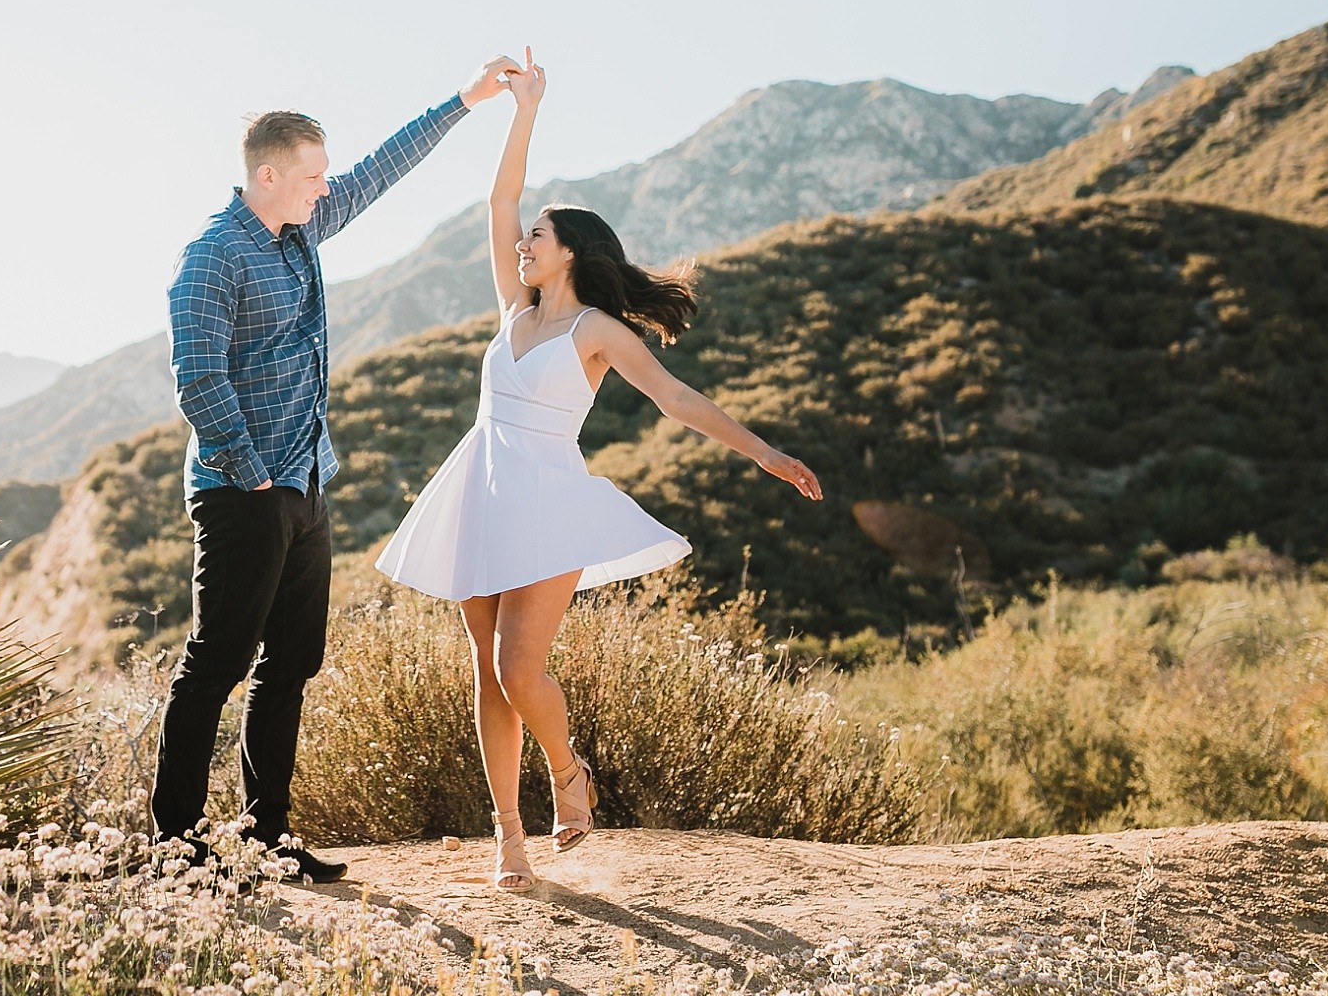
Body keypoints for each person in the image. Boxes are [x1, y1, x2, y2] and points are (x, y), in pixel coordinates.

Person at [374, 53, 826, 887]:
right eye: (525, 238)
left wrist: (764, 451)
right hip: (480, 488)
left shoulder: (596, 332)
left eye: (537, 239)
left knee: (519, 669)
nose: (521, 244)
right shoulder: (513, 312)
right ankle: (510, 837)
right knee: (485, 669)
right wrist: (524, 111)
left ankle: (568, 769)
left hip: (547, 501)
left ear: (571, 253)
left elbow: (678, 400)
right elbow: (500, 200)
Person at [150, 60, 522, 881]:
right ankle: (173, 849)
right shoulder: (212, 256)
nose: (328, 186)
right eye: (314, 175)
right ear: (269, 174)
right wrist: (250, 472)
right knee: (216, 662)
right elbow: (197, 378)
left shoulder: (303, 228)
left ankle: (266, 840)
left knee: (291, 664)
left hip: (307, 484)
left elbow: (384, 169)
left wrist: (466, 101)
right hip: (242, 488)